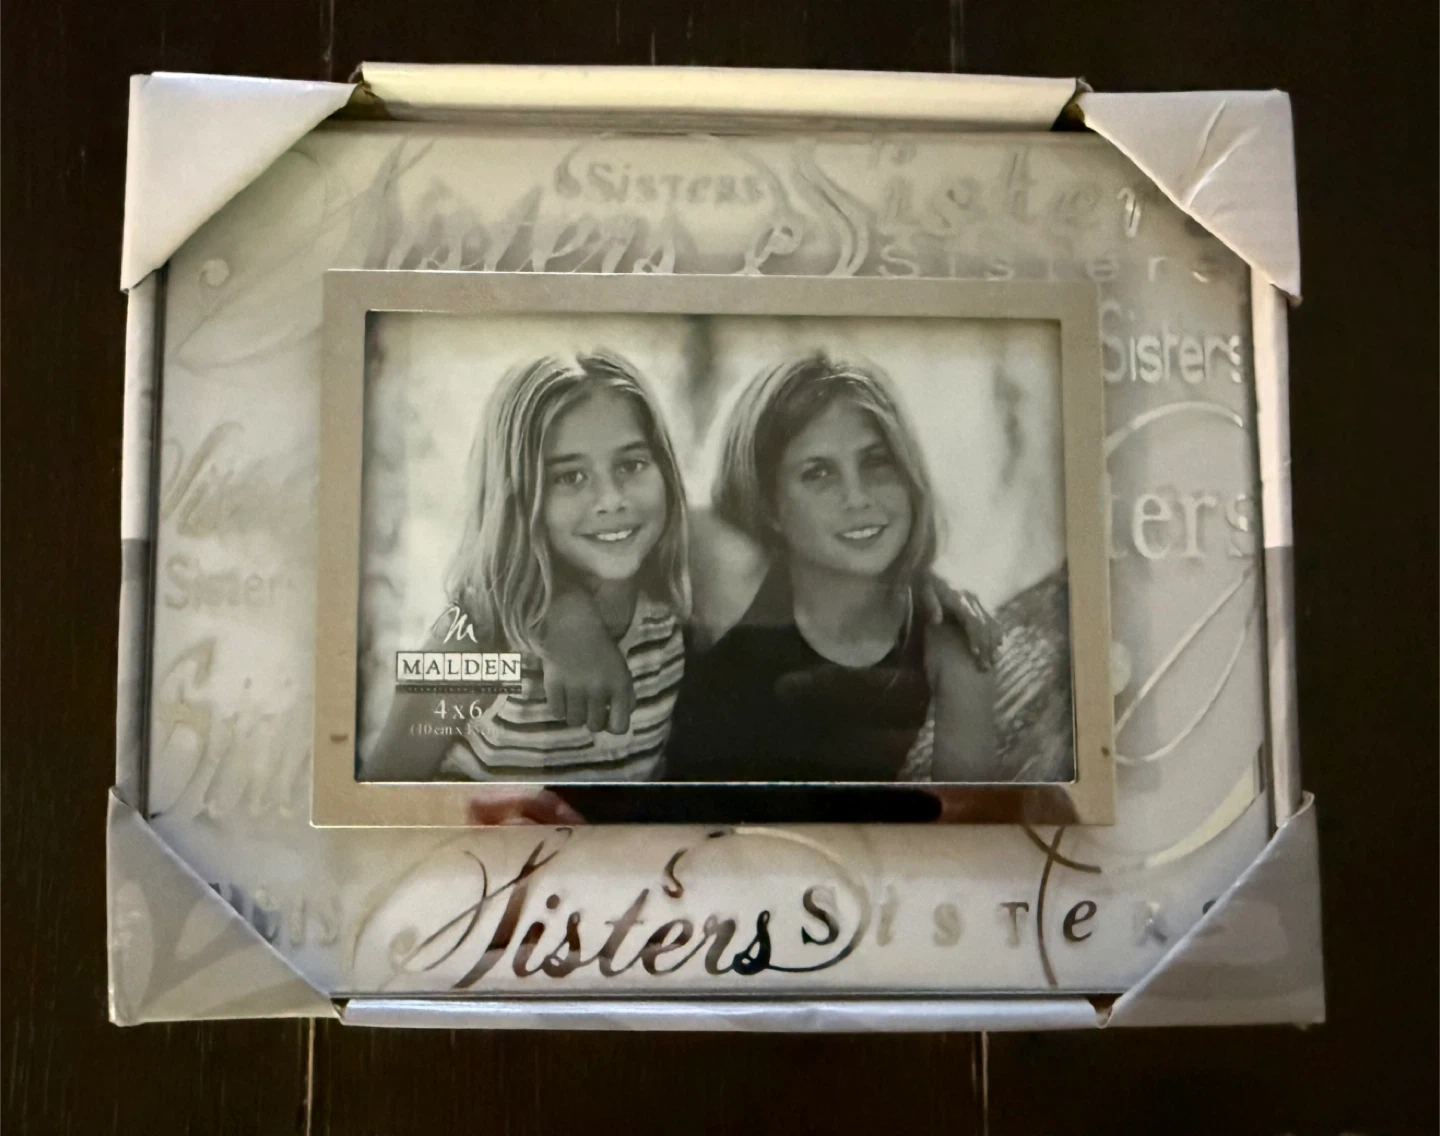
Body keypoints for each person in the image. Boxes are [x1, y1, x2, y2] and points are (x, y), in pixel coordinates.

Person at [663, 352, 997, 783]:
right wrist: (577, 619)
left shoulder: (946, 642)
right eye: (818, 473)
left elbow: (970, 813)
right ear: (768, 506)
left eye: (876, 461)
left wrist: (924, 578)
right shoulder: (730, 580)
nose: (857, 497)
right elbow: (620, 535)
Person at [361, 352, 688, 784]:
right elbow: (379, 790)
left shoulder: (667, 611)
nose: (611, 498)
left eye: (631, 465)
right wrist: (561, 619)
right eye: (569, 477)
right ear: (515, 498)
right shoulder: (468, 638)